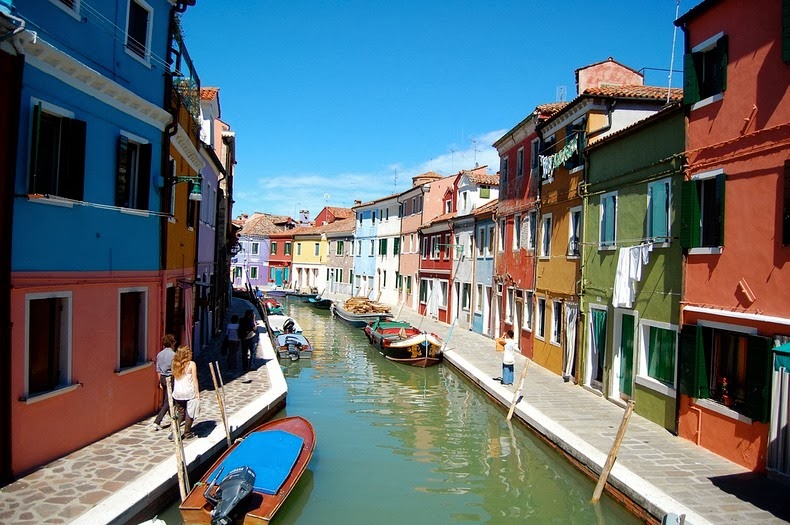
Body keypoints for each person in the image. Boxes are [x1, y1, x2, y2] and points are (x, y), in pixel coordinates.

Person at [170, 345, 199, 440]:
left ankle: (175, 432)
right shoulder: (191, 364)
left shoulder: (174, 364)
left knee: (180, 413)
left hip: (178, 392)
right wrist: (197, 393)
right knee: (190, 413)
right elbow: (194, 379)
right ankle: (187, 433)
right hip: (189, 392)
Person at [151, 334, 176, 431]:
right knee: (169, 400)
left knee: (167, 398)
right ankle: (157, 421)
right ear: (171, 343)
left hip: (162, 378)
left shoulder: (159, 354)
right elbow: (174, 369)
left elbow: (158, 370)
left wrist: (160, 382)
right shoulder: (173, 355)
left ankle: (173, 419)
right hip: (170, 378)